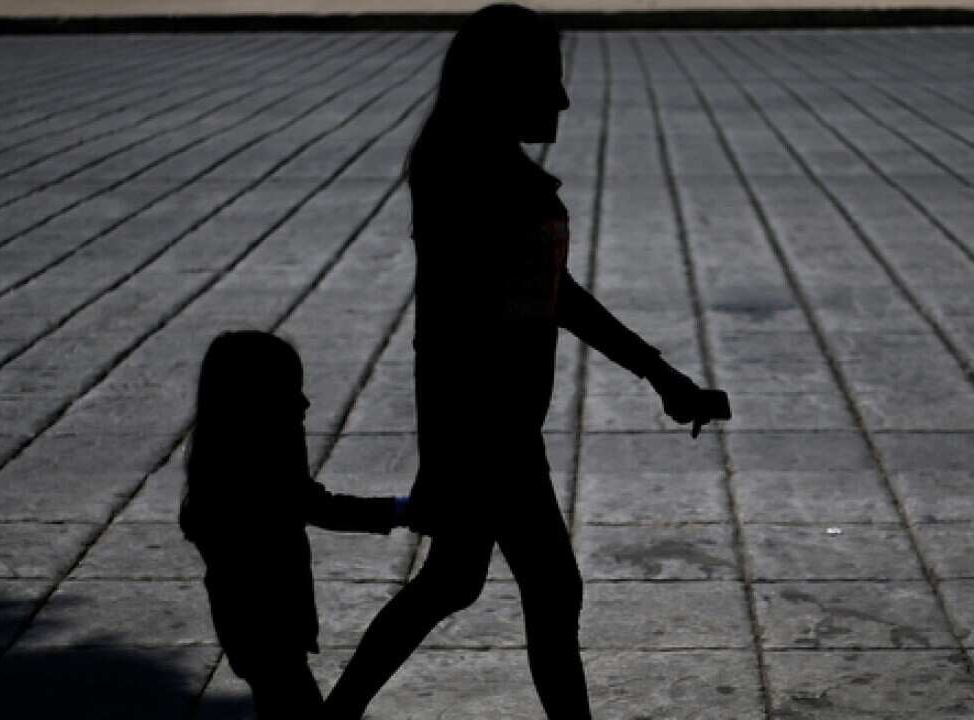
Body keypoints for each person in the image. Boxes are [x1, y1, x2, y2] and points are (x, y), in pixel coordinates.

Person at [322, 5, 729, 718]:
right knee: (545, 588)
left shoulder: (488, 173)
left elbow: (554, 295)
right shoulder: (468, 181)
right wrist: (445, 453)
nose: (564, 99)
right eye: (548, 80)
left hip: (497, 425)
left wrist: (658, 374)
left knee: (454, 583)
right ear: (501, 82)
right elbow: (444, 331)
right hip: (488, 429)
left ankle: (335, 715)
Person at [179, 330, 412, 717]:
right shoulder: (262, 463)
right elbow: (314, 505)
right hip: (270, 625)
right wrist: (400, 510)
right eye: (290, 391)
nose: (304, 401)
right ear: (254, 402)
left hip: (253, 628)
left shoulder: (224, 465)